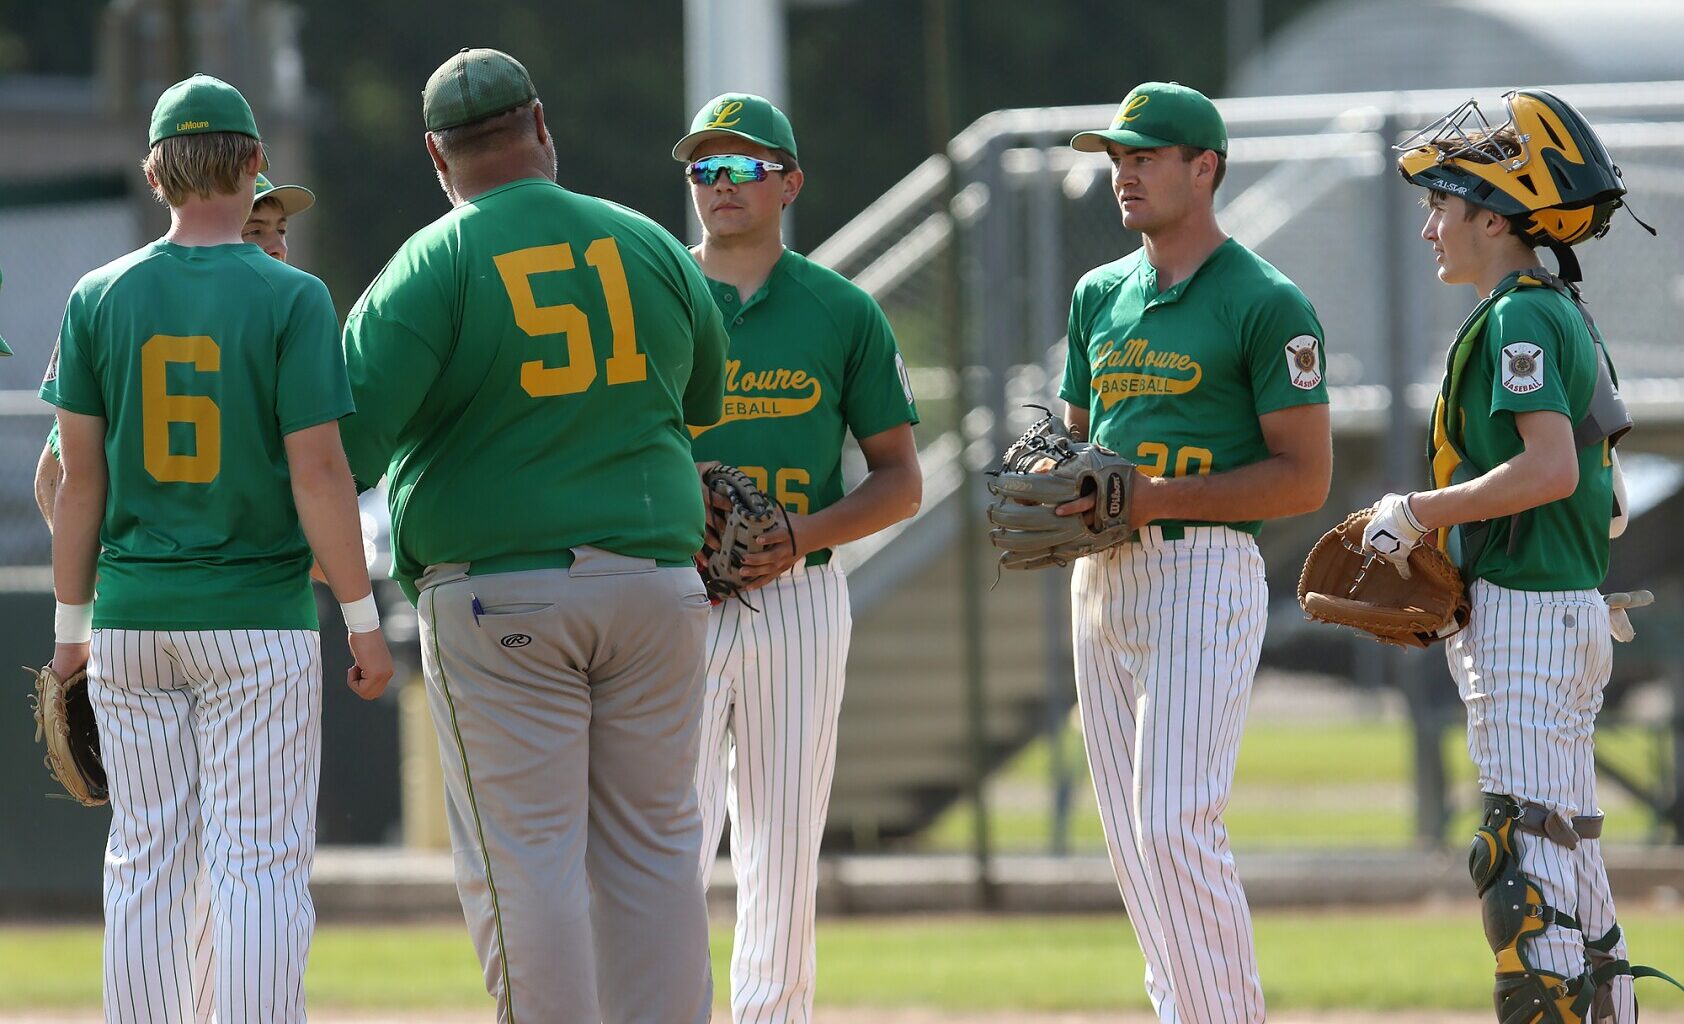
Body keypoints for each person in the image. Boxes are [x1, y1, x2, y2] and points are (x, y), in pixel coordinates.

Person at [336, 48, 729, 1024]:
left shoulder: (434, 261)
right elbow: (702, 401)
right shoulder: (648, 243)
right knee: (655, 854)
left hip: (501, 596)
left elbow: (344, 442)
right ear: (540, 124)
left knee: (528, 862)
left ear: (437, 152)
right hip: (656, 583)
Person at [39, 73, 392, 1022]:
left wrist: (72, 629)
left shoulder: (97, 295)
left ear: (155, 174)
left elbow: (76, 483)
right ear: (251, 167)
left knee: (146, 858)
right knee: (258, 862)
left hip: (132, 620)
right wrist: (363, 619)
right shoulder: (293, 295)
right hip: (258, 619)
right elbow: (320, 475)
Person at [1369, 89, 1671, 1022]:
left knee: (1521, 866)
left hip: (1530, 620)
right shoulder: (1556, 309)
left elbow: (1544, 467)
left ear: (1493, 217)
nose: (1429, 228)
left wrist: (1418, 514)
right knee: (1568, 867)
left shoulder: (1518, 317)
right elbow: (1600, 486)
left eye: (1442, 206)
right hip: (1562, 611)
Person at [1056, 82, 1332, 1023]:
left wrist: (1155, 497)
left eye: (1145, 155)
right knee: (1136, 847)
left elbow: (1303, 477)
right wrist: (1062, 493)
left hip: (1201, 567)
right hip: (1102, 579)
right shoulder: (1099, 294)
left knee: (1173, 824)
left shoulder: (1265, 300)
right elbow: (1077, 448)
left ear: (1203, 167)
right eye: (1116, 158)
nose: (1124, 174)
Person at [672, 93, 922, 1023]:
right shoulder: (661, 295)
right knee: (673, 838)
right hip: (676, 594)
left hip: (800, 596)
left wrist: (798, 534)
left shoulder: (840, 310)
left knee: (780, 845)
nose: (720, 185)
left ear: (790, 182)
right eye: (704, 168)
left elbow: (900, 480)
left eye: (742, 167)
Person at [35, 171, 317, 526]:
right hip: (241, 570)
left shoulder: (286, 322)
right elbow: (51, 473)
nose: (277, 245)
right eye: (255, 231)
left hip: (197, 569)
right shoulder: (130, 313)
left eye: (281, 229)